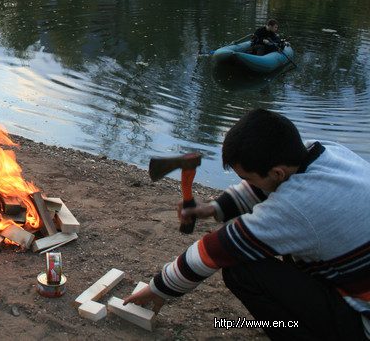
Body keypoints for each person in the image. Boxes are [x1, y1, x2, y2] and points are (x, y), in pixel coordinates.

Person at [124, 109, 370, 339]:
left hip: (363, 323)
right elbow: (268, 187)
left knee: (241, 270)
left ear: (277, 173)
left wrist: (158, 288)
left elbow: (216, 250)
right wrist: (213, 209)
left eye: (247, 177)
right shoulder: (324, 152)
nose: (246, 182)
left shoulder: (297, 207)